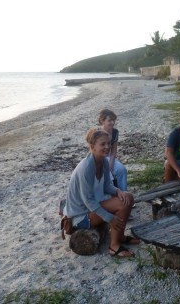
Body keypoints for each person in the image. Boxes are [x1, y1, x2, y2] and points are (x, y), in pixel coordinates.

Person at [64, 127, 139, 257]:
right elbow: (88, 201)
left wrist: (118, 191)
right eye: (102, 144)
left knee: (128, 197)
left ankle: (120, 237)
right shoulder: (86, 167)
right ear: (92, 146)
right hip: (81, 217)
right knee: (121, 205)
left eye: (108, 143)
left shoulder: (103, 161)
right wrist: (110, 218)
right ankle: (114, 247)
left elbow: (106, 187)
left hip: (92, 209)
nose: (107, 147)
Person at [98, 109, 128, 191]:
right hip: (98, 158)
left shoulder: (115, 132)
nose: (112, 122)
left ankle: (124, 193)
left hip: (109, 158)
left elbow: (113, 152)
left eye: (113, 120)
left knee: (122, 170)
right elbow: (93, 152)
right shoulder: (97, 133)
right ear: (102, 121)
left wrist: (110, 166)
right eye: (109, 120)